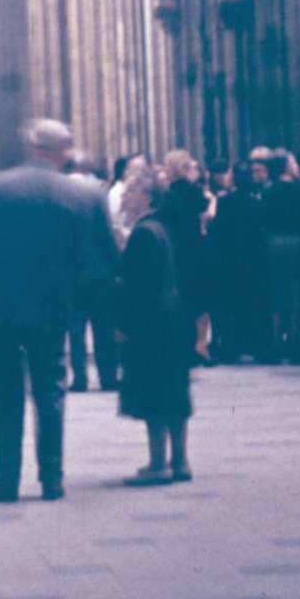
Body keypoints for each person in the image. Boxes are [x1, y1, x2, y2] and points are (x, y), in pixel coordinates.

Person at [0, 118, 84, 502]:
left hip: (3, 307)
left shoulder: (0, 187)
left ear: (33, 148)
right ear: (57, 150)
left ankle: (7, 482)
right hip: (52, 307)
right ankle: (52, 479)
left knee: (6, 395)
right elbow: (84, 254)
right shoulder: (71, 191)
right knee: (50, 392)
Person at [116, 163, 193, 485]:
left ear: (147, 196)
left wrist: (123, 325)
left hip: (152, 318)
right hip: (170, 314)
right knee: (173, 388)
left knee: (155, 387)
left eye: (131, 190)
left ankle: (158, 464)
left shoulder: (145, 232)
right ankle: (179, 461)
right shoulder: (159, 227)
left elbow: (137, 285)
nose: (125, 195)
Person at [66, 152, 120, 392]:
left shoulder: (61, 190)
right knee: (103, 328)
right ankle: (107, 377)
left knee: (75, 329)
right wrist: (117, 265)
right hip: (99, 272)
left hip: (71, 274)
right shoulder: (98, 189)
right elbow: (106, 233)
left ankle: (79, 378)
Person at [207, 162, 267, 362]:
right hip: (251, 259)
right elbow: (259, 233)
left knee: (230, 303)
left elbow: (216, 232)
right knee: (250, 302)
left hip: (228, 259)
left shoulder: (224, 202)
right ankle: (252, 344)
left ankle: (230, 346)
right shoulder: (256, 203)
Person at [158, 149, 214, 363]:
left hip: (176, 250)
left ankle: (184, 346)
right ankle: (201, 345)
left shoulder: (167, 193)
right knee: (200, 299)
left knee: (183, 298)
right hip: (196, 249)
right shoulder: (193, 191)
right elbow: (206, 216)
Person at [260, 150, 300, 360]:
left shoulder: (269, 192)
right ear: (285, 166)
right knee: (297, 291)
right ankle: (295, 343)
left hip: (273, 242)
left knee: (278, 290)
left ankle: (276, 343)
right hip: (298, 240)